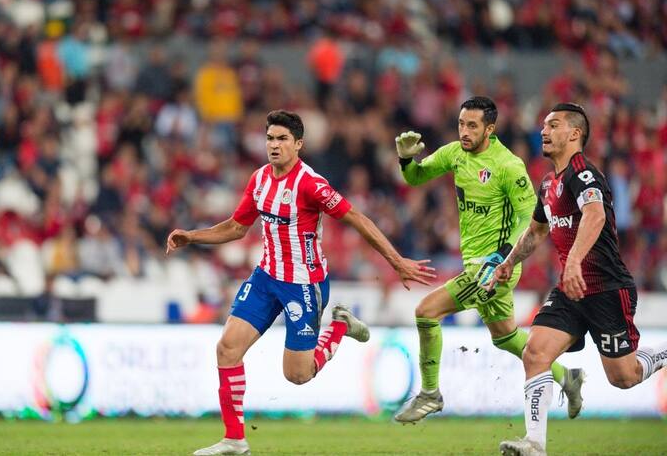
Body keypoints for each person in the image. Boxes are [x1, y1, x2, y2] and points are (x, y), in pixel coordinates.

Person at [167, 110, 436, 456]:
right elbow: (236, 227)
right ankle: (235, 440)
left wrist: (396, 261)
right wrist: (192, 236)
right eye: (270, 138)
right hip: (266, 277)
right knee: (227, 349)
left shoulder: (311, 184)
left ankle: (339, 327)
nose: (274, 145)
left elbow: (356, 218)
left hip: (303, 285)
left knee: (297, 375)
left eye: (282, 139)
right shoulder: (259, 179)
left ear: (298, 144)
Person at [392, 96, 584, 423]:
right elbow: (416, 178)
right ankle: (568, 377)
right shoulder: (455, 153)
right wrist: (406, 160)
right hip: (475, 264)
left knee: (426, 312)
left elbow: (529, 219)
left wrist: (503, 256)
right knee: (506, 337)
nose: (464, 132)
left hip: (495, 269)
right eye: (461, 124)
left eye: (472, 126)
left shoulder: (508, 166)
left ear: (490, 129)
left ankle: (430, 393)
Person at [491, 103, 667, 456]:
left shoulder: (583, 173)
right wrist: (509, 262)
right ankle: (534, 444)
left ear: (575, 134)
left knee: (624, 377)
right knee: (535, 353)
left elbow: (595, 214)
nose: (544, 131)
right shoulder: (548, 184)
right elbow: (536, 232)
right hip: (570, 290)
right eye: (544, 125)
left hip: (606, 288)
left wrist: (573, 261)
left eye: (553, 125)